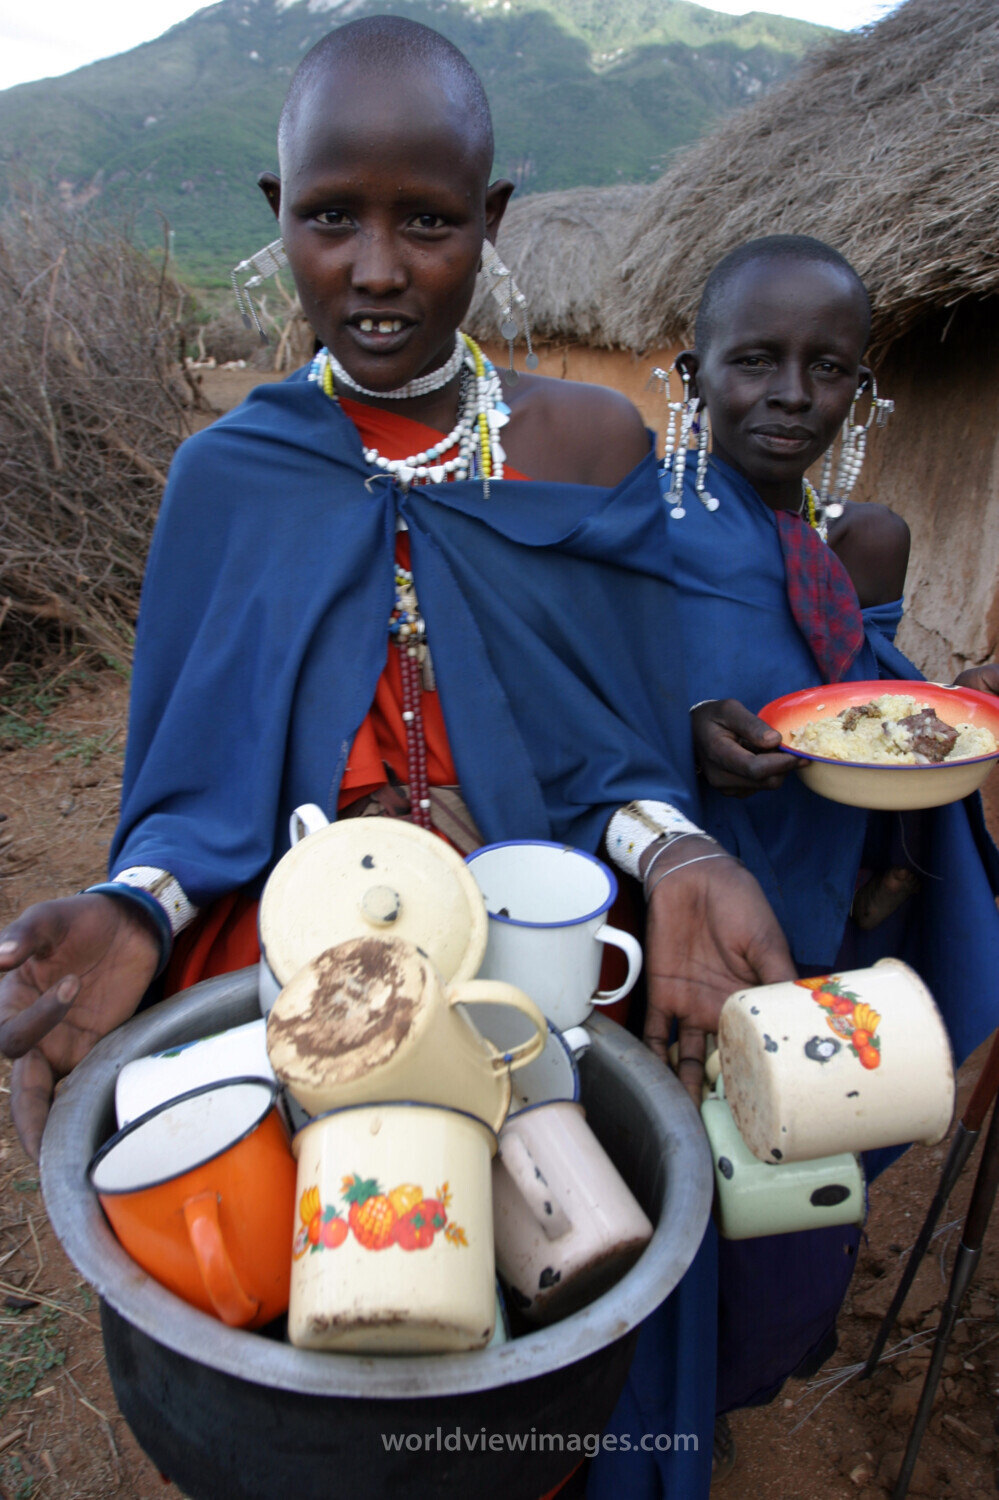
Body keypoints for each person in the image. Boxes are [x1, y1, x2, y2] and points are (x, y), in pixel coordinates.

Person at [0, 21, 798, 1499]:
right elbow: (203, 769)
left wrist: (674, 849)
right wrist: (142, 904)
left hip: (531, 960)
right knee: (318, 1320)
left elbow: (610, 744)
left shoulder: (582, 447)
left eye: (426, 222)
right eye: (331, 218)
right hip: (292, 957)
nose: (375, 269)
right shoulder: (229, 476)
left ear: (490, 223)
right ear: (276, 213)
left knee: (531, 1313)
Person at [588, 235, 999, 1495]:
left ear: (862, 394)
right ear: (690, 370)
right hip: (679, 929)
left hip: (822, 924)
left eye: (828, 368)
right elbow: (579, 710)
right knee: (667, 1179)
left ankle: (721, 1381)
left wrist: (949, 708)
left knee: (789, 1214)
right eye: (755, 358)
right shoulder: (636, 527)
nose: (790, 393)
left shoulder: (870, 543)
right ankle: (651, 1414)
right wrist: (682, 733)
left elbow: (863, 702)